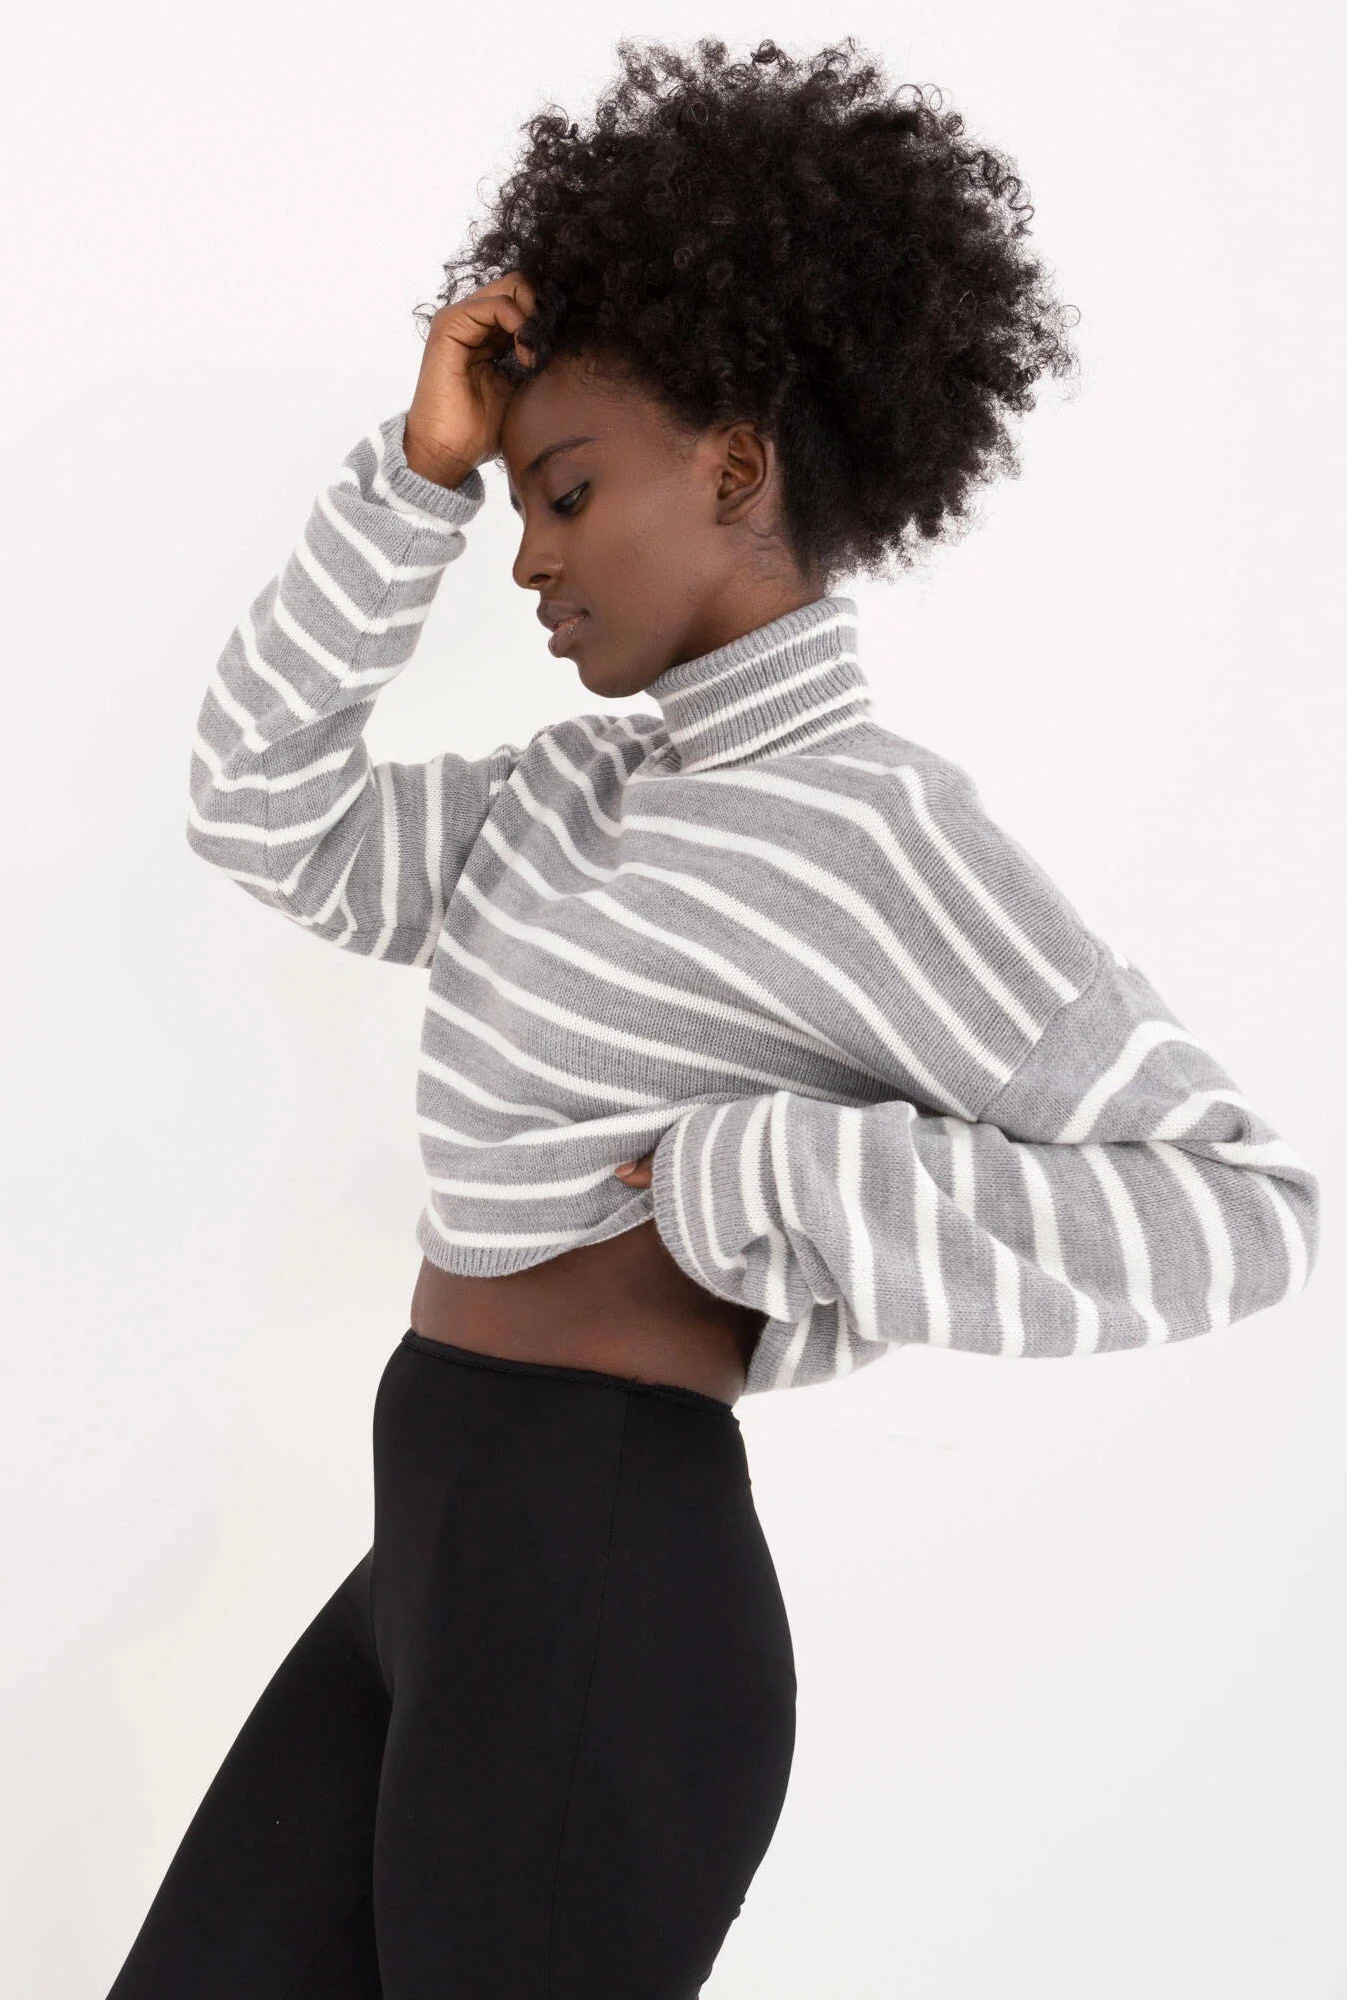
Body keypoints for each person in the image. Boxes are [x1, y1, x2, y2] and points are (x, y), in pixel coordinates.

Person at [105, 35, 1319, 2000]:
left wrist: (770, 1174)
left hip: (603, 1594)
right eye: (515, 502)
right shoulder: (568, 793)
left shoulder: (869, 830)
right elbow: (262, 804)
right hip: (438, 1553)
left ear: (737, 469)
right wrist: (418, 477)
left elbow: (1240, 1207)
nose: (528, 555)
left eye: (566, 491)